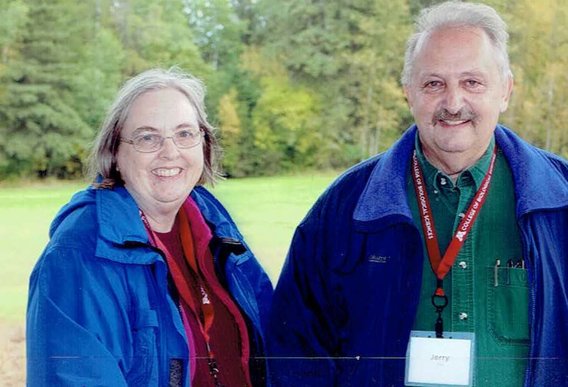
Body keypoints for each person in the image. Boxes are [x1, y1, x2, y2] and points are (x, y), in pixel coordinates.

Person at [267, 1, 568, 386]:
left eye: (472, 82)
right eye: (434, 83)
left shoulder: (560, 203)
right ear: (409, 92)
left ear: (505, 90)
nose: (453, 103)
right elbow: (295, 352)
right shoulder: (343, 210)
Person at [27, 67, 273, 386]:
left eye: (185, 133)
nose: (170, 152)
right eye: (147, 137)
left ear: (204, 143)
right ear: (114, 152)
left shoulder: (215, 228)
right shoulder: (79, 253)